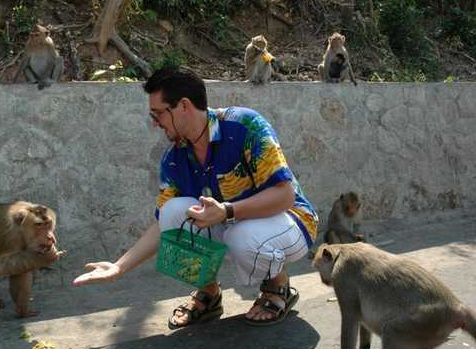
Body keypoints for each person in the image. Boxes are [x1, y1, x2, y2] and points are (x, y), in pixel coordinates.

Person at [73, 68, 318, 328]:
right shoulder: (175, 157)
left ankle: (277, 286)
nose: (155, 123)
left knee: (242, 236)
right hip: (232, 223)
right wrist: (119, 268)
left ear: (183, 106)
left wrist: (226, 211)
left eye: (158, 114)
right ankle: (209, 294)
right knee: (172, 212)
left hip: (289, 223)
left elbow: (285, 195)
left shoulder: (245, 126)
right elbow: (163, 225)